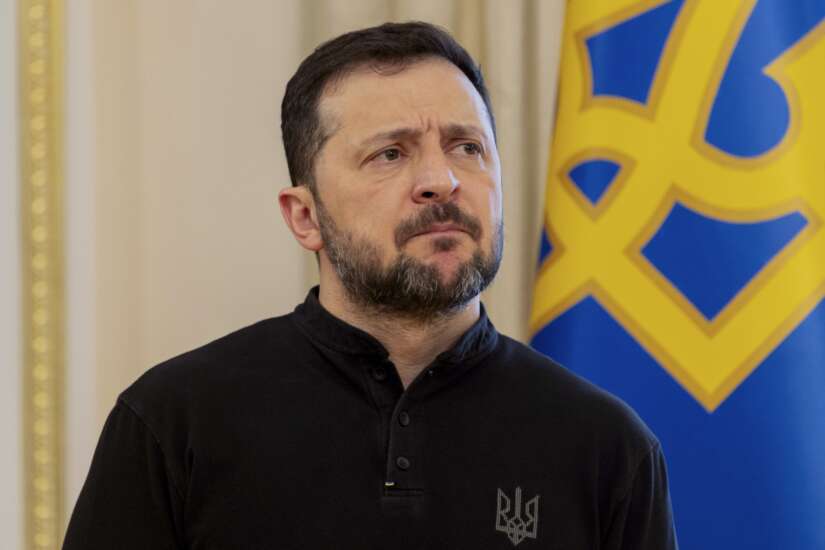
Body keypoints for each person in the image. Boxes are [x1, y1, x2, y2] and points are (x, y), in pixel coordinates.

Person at [63, 22, 678, 549]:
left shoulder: (608, 448)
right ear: (305, 217)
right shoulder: (173, 423)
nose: (441, 180)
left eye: (467, 147)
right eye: (390, 154)